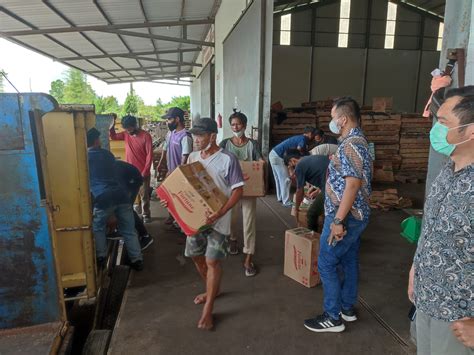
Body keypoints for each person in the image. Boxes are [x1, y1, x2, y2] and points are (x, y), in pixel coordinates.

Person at [407, 87, 474, 354]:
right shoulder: (449, 169)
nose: (436, 129)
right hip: (427, 301)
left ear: (471, 131)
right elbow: (431, 230)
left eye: (443, 123)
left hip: (460, 317)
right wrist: (416, 269)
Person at [162, 117, 244, 330]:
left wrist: (220, 212)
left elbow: (237, 190)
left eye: (200, 136)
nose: (195, 140)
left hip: (219, 220)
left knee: (212, 262)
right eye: (194, 136)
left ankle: (208, 309)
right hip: (197, 220)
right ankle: (211, 289)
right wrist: (170, 199)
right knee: (197, 258)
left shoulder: (228, 159)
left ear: (213, 136)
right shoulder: (194, 158)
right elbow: (185, 187)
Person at [304, 97, 372, 333]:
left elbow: (352, 185)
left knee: (326, 263)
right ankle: (347, 308)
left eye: (333, 118)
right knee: (349, 259)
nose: (332, 123)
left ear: (343, 119)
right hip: (354, 214)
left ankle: (332, 317)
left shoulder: (352, 144)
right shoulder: (357, 142)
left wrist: (338, 221)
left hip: (347, 216)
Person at [87, 128, 144, 271]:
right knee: (129, 230)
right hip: (121, 195)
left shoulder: (84, 158)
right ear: (96, 141)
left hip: (103, 197)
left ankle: (101, 256)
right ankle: (137, 260)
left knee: (98, 227)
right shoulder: (107, 154)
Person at [219, 111, 264, 277]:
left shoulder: (253, 144)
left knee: (249, 222)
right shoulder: (225, 144)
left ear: (244, 125)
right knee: (232, 218)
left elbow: (259, 161)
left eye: (238, 124)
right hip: (230, 189)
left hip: (249, 189)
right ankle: (232, 239)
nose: (235, 127)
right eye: (232, 125)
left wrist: (260, 165)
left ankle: (248, 257)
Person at [110, 114, 153, 223]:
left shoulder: (146, 136)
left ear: (135, 125)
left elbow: (149, 155)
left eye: (130, 128)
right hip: (129, 172)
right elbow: (113, 137)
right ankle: (135, 211)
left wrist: (145, 171)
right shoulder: (125, 134)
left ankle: (146, 214)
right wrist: (112, 122)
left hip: (143, 172)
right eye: (126, 129)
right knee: (131, 194)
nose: (128, 131)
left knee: (144, 195)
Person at [158, 107, 193, 225]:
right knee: (170, 196)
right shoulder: (171, 133)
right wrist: (161, 162)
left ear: (177, 119)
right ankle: (172, 216)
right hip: (170, 170)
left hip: (180, 174)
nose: (167, 122)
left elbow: (185, 157)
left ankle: (181, 222)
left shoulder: (185, 137)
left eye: (169, 119)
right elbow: (165, 148)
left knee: (181, 198)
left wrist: (177, 174)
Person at [284, 151, 330, 233]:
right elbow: (322, 174)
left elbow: (299, 191)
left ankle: (313, 237)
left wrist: (296, 209)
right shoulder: (308, 159)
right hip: (334, 184)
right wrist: (317, 191)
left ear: (293, 160)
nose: (292, 168)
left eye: (291, 165)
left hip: (331, 188)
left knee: (311, 214)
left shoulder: (300, 166)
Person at [269, 127, 315, 207]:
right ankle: (286, 202)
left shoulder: (299, 138)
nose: (313, 137)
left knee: (278, 179)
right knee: (286, 180)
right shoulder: (303, 138)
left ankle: (280, 198)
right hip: (278, 157)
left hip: (273, 154)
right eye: (313, 135)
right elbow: (298, 150)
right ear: (310, 134)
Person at [114, 160, 154, 250]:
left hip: (133, 181)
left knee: (126, 208)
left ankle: (146, 236)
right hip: (128, 179)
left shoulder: (114, 171)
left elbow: (121, 190)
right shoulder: (105, 167)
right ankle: (124, 230)